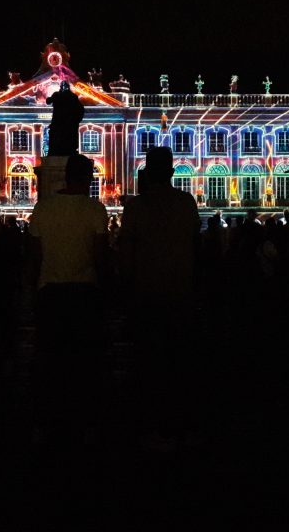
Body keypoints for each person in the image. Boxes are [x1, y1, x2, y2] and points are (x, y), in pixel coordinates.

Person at [118, 146, 201, 448]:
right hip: (180, 294)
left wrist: (125, 290)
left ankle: (150, 427)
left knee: (147, 363)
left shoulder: (135, 208)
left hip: (146, 295)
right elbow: (197, 246)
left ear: (146, 174)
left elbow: (126, 254)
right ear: (172, 173)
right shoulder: (187, 203)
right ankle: (178, 425)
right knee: (177, 363)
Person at [27, 154, 109, 447]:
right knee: (84, 363)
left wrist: (33, 290)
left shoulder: (42, 209)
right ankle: (86, 425)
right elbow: (100, 257)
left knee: (49, 361)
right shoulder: (96, 209)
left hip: (50, 291)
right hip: (85, 291)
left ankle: (43, 424)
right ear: (88, 179)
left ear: (64, 176)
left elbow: (35, 258)